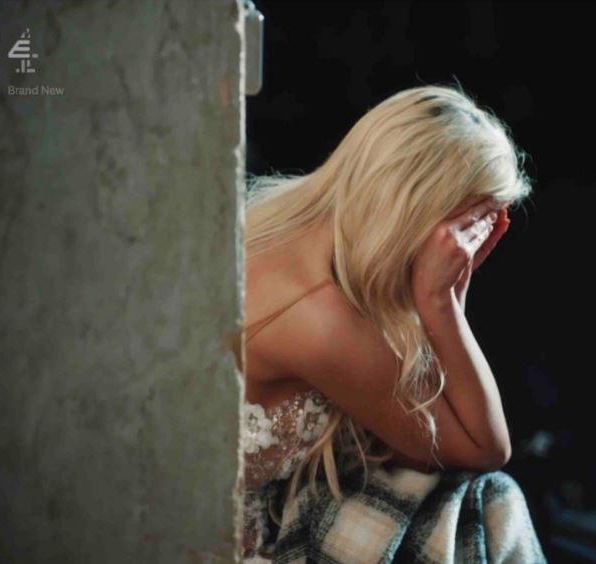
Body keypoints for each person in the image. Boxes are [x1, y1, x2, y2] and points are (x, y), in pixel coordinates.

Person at [226, 84, 545, 562]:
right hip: (224, 543)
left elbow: (411, 443)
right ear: (419, 212)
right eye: (464, 231)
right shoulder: (321, 318)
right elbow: (484, 448)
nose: (465, 252)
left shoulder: (280, 220)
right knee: (491, 500)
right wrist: (444, 302)